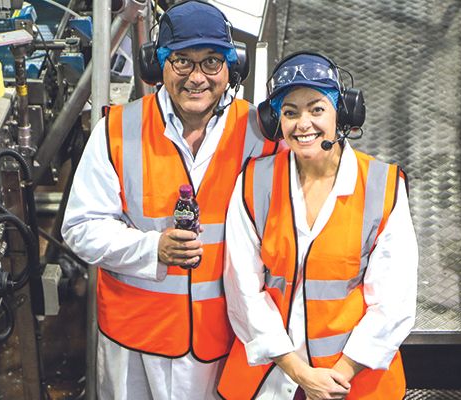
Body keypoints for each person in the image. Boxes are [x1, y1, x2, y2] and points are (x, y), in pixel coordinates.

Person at [61, 1, 279, 399]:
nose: (197, 77)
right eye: (182, 62)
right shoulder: (116, 130)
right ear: (156, 64)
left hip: (228, 342)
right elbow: (80, 228)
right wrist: (151, 248)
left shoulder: (262, 135)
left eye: (212, 62)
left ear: (233, 67)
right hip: (136, 348)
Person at [217, 52, 418, 400]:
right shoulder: (253, 183)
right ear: (275, 120)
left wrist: (337, 376)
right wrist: (300, 373)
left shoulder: (382, 187)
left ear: (341, 113)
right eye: (290, 112)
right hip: (273, 378)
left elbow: (394, 302)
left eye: (316, 109)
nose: (303, 124)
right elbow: (243, 291)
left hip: (354, 383)